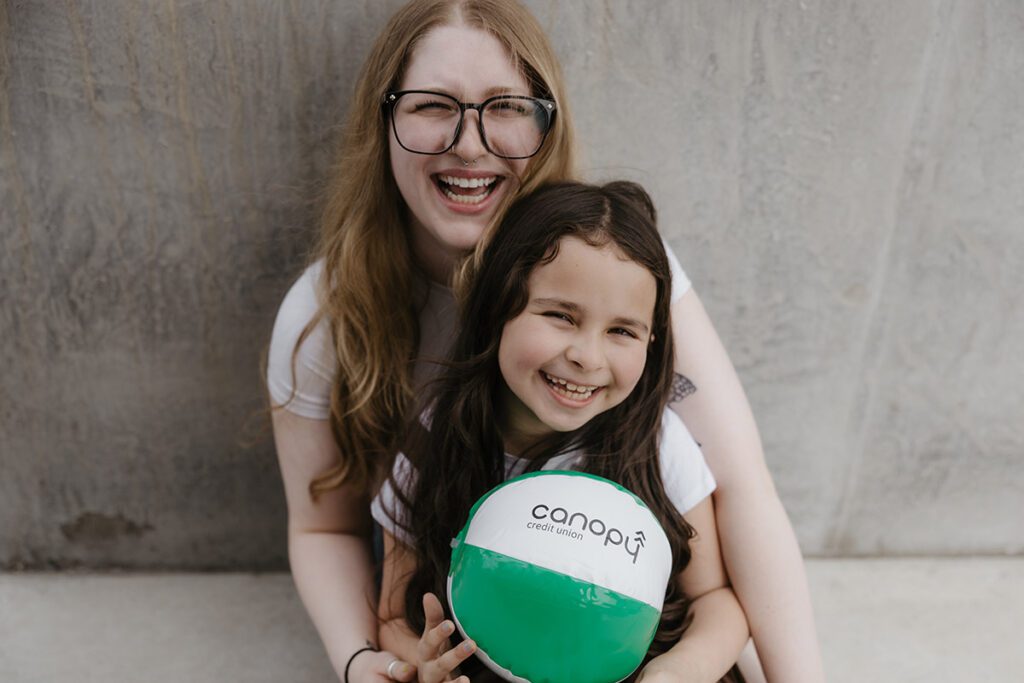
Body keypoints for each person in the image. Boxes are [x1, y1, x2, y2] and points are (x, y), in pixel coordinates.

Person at [266, 1, 824, 681]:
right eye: (433, 104)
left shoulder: (619, 270)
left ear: (545, 122)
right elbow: (324, 527)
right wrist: (365, 661)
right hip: (457, 586)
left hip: (615, 601)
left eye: (504, 106)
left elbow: (740, 489)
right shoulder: (325, 318)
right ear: (383, 120)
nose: (469, 144)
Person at [372, 180, 749, 683]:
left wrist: (678, 671)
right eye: (561, 316)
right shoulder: (434, 440)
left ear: (651, 343)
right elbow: (392, 617)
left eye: (621, 331)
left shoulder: (657, 443)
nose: (587, 357)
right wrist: (424, 663)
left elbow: (715, 599)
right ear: (497, 308)